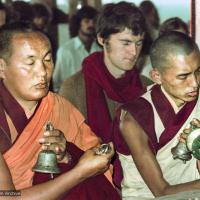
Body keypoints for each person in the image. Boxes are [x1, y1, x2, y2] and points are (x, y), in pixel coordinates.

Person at [0, 21, 120, 199]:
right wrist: (79, 172)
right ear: (2, 67)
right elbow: (6, 196)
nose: (42, 72)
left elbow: (95, 158)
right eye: (30, 63)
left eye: (47, 60)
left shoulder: (58, 107)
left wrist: (67, 156)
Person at [59, 1, 153, 188]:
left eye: (139, 43)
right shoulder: (74, 88)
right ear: (102, 39)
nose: (133, 52)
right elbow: (64, 158)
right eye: (125, 42)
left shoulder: (148, 87)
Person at [113, 31, 200, 199]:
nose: (194, 83)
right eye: (183, 76)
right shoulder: (135, 119)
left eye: (198, 71)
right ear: (157, 76)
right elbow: (161, 191)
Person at [52, 5, 101, 92]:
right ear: (79, 23)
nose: (91, 24)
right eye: (87, 21)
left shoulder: (101, 48)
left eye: (94, 21)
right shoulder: (66, 50)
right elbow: (57, 83)